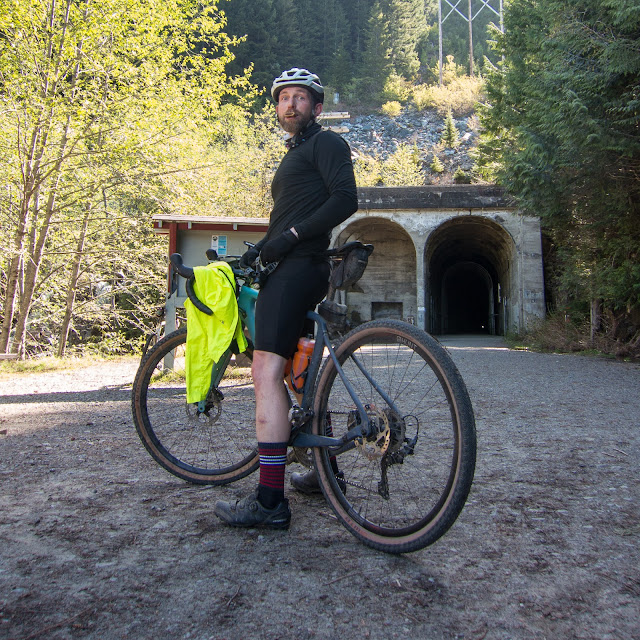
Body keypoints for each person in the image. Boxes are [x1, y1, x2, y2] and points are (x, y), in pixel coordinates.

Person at [214, 68, 358, 529]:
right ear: (277, 108)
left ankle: (270, 501)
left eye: (301, 98)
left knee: (265, 370)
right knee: (299, 371)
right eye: (284, 98)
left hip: (299, 268)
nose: (291, 105)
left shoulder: (326, 143)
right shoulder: (295, 155)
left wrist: (289, 237)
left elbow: (345, 199)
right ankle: (324, 470)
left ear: (317, 108)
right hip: (289, 265)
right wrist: (265, 247)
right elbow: (294, 213)